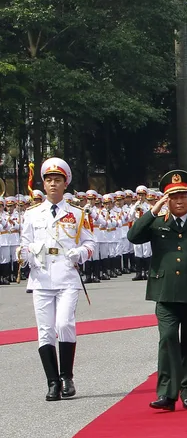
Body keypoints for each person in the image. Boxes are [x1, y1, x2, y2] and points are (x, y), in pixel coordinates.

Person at [127, 170, 187, 412]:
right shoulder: (157, 223)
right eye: (173, 197)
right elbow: (134, 236)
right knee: (167, 340)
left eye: (183, 196)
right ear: (167, 199)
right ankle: (167, 394)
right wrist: (153, 209)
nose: (179, 201)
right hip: (165, 293)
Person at [18, 158, 96, 401]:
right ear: (44, 184)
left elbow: (91, 243)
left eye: (58, 180)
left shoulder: (77, 213)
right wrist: (26, 254)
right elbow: (22, 246)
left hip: (66, 274)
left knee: (64, 324)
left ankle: (67, 376)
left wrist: (81, 253)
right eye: (49, 180)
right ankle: (52, 382)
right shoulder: (32, 214)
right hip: (41, 276)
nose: (53, 184)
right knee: (45, 330)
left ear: (66, 184)